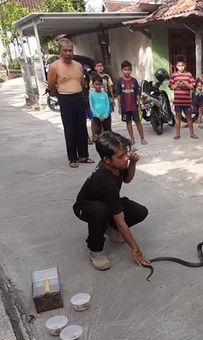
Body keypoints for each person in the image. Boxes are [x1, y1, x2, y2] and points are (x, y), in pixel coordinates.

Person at [73, 132, 149, 271]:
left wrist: (132, 163)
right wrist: (135, 249)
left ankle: (108, 227)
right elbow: (121, 222)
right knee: (99, 212)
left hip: (106, 201)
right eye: (121, 157)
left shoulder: (116, 164)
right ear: (107, 160)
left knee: (140, 212)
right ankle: (95, 250)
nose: (125, 158)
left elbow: (127, 179)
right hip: (85, 207)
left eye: (126, 153)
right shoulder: (105, 182)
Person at [47, 38, 93, 168]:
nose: (68, 53)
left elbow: (82, 82)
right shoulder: (54, 66)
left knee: (82, 127)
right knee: (70, 128)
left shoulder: (78, 65)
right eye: (65, 50)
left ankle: (84, 155)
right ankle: (73, 157)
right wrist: (60, 96)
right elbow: (51, 86)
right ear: (60, 51)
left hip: (78, 97)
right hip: (65, 99)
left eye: (70, 50)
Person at [114, 60, 147, 145]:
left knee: (138, 122)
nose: (127, 71)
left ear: (131, 70)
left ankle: (142, 138)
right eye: (125, 69)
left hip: (134, 106)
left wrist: (139, 105)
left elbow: (137, 94)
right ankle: (132, 138)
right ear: (122, 70)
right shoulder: (119, 82)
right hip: (125, 106)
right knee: (128, 122)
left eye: (128, 69)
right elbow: (118, 95)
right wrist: (120, 107)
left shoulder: (134, 81)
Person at [168, 55, 197, 140]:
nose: (181, 67)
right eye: (179, 66)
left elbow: (193, 86)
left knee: (189, 118)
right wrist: (177, 85)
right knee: (178, 118)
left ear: (185, 65)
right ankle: (177, 134)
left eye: (182, 65)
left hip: (187, 101)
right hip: (178, 102)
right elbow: (171, 87)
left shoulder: (189, 74)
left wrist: (186, 84)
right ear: (176, 66)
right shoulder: (174, 75)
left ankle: (192, 134)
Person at [89, 75, 112, 141]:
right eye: (96, 84)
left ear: (102, 84)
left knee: (108, 131)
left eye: (99, 84)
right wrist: (98, 115)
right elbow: (92, 106)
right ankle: (100, 144)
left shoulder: (105, 94)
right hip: (96, 116)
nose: (98, 86)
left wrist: (105, 115)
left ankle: (109, 144)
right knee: (98, 131)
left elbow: (108, 105)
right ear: (93, 85)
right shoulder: (91, 94)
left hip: (106, 115)